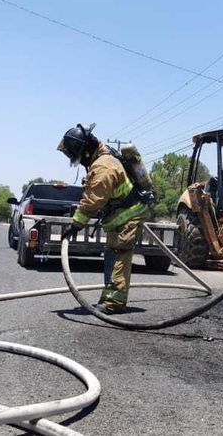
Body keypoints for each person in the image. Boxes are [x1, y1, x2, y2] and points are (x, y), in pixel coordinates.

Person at [58, 123, 149, 314]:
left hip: (128, 215)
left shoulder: (103, 166)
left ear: (84, 152)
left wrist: (76, 225)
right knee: (112, 254)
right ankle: (109, 297)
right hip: (120, 216)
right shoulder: (102, 157)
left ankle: (113, 303)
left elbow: (93, 201)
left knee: (118, 255)